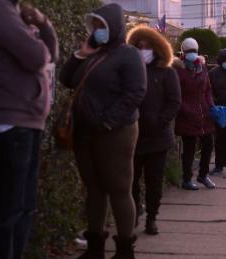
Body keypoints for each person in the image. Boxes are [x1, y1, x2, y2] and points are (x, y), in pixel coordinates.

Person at [59, 4, 146, 258]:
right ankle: (95, 247)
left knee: (119, 188)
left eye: (102, 26)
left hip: (116, 131)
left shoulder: (128, 54)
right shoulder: (94, 54)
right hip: (85, 131)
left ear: (114, 28)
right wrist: (81, 53)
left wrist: (108, 121)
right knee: (94, 188)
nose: (97, 31)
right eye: (95, 26)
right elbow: (66, 79)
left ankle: (124, 249)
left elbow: (135, 93)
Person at [0, 0, 58, 258]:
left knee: (23, 207)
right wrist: (37, 41)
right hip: (7, 124)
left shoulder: (10, 12)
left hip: (23, 122)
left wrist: (43, 24)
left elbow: (51, 56)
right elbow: (37, 57)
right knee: (9, 210)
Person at [127, 25, 181, 235]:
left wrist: (161, 121)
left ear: (156, 48)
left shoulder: (166, 73)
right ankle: (132, 214)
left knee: (154, 181)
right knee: (130, 180)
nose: (143, 49)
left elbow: (174, 101)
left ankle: (152, 216)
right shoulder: (129, 71)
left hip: (158, 137)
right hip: (131, 136)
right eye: (139, 46)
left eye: (147, 46)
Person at [173, 38, 216, 191]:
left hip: (204, 114)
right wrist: (184, 109)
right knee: (189, 148)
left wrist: (211, 106)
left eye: (194, 51)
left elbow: (208, 89)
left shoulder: (202, 68)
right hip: (187, 115)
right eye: (189, 51)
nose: (192, 54)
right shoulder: (178, 69)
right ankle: (186, 178)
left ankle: (203, 175)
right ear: (183, 52)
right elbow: (175, 93)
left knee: (208, 144)